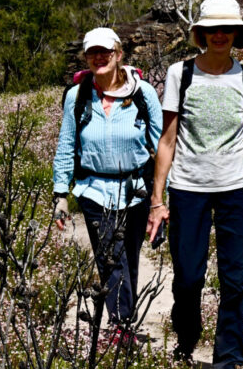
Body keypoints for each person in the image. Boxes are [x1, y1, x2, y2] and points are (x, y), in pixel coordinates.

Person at [147, 0, 243, 369]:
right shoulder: (179, 75)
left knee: (235, 281)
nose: (220, 35)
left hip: (236, 190)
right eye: (213, 29)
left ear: (238, 34)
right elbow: (166, 140)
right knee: (188, 278)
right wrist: (157, 199)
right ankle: (186, 343)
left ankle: (230, 364)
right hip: (188, 189)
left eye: (228, 29)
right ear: (201, 34)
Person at [52, 27, 163, 346]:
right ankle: (121, 327)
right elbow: (66, 144)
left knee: (128, 255)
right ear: (86, 57)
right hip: (93, 190)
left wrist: (164, 196)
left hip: (136, 190)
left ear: (119, 54)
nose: (99, 57)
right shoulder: (77, 96)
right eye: (92, 53)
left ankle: (123, 321)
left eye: (106, 51)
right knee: (111, 259)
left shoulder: (144, 94)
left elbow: (163, 145)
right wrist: (61, 193)